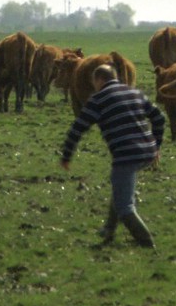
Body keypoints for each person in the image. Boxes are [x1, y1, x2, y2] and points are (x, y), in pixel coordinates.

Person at [60, 64, 164, 248]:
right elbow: (158, 117)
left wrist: (66, 156)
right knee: (119, 186)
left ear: (99, 80)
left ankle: (147, 243)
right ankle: (109, 230)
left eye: (94, 82)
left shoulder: (98, 99)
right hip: (147, 151)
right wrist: (156, 145)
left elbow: (78, 129)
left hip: (126, 155)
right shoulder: (134, 92)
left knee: (125, 207)